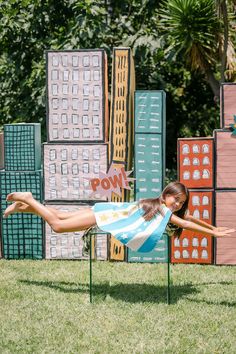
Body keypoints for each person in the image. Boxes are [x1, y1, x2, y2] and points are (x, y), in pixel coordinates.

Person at [3, 181, 235, 253]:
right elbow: (184, 222)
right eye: (176, 200)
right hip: (105, 216)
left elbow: (190, 218)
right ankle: (30, 199)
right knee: (57, 226)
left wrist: (213, 226)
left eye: (181, 203)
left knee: (60, 216)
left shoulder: (159, 206)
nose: (178, 205)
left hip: (105, 211)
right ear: (166, 195)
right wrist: (213, 234)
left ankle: (23, 207)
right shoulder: (163, 210)